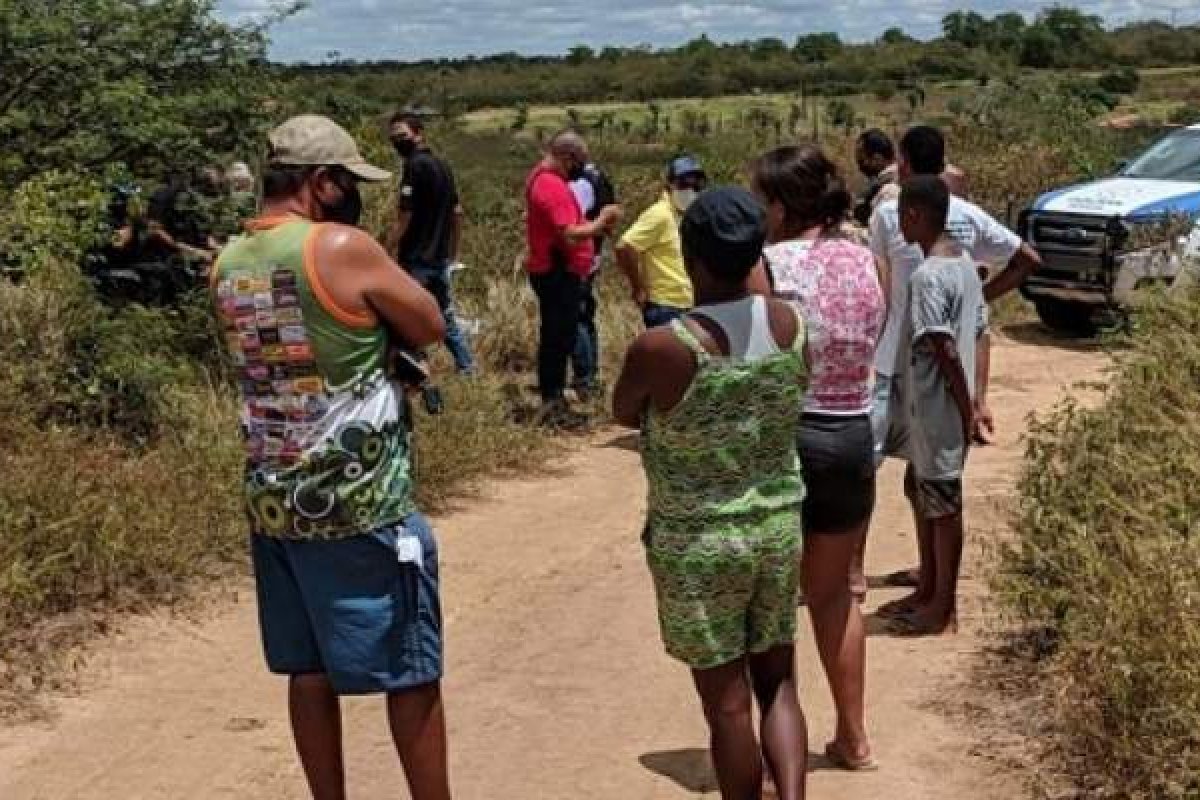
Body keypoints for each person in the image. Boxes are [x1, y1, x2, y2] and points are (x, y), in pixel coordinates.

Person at [209, 114, 453, 800]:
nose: (353, 194)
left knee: (307, 669)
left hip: (274, 498)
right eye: (347, 181)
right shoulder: (342, 246)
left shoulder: (225, 262)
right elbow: (429, 321)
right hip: (359, 501)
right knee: (410, 667)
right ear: (320, 183)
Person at [614, 188, 809, 800]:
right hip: (777, 529)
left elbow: (624, 410)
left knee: (726, 708)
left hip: (698, 543)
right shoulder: (793, 324)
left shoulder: (667, 346)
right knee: (778, 684)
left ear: (690, 257)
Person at [868, 125, 1041, 601]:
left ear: (903, 165)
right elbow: (1028, 258)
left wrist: (967, 405)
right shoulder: (965, 225)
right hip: (950, 364)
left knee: (926, 482)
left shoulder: (889, 219)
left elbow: (880, 289)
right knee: (929, 479)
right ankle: (930, 583)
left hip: (910, 365)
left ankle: (935, 592)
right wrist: (978, 300)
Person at [754, 145, 884, 771]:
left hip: (791, 437)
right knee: (835, 597)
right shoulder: (865, 261)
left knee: (775, 598)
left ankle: (780, 749)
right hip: (854, 432)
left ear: (780, 205)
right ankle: (853, 737)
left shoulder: (771, 264)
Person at [890, 175, 987, 634]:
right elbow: (979, 333)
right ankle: (928, 589)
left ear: (914, 215)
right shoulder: (964, 265)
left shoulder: (929, 276)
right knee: (925, 495)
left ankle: (942, 608)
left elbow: (944, 347)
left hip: (938, 411)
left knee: (944, 506)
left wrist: (966, 405)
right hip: (933, 412)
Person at [524, 130, 621, 422]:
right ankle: (553, 401)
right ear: (567, 157)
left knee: (561, 335)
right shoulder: (550, 185)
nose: (582, 168)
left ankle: (555, 399)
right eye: (580, 161)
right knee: (557, 338)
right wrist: (601, 222)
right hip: (557, 272)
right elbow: (570, 232)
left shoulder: (544, 180)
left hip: (559, 270)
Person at [386, 112, 475, 375]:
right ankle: (467, 367)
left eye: (402, 135)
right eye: (393, 138)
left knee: (405, 317)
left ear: (418, 133)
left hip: (416, 258)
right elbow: (457, 212)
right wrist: (452, 252)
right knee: (445, 315)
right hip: (439, 258)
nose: (397, 141)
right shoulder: (443, 166)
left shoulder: (414, 166)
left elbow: (404, 217)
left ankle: (414, 371)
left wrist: (385, 249)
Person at [615, 156, 707, 328]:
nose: (690, 189)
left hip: (691, 303)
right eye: (683, 184)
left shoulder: (690, 215)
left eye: (696, 185)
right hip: (666, 306)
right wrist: (638, 287)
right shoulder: (660, 214)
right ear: (670, 184)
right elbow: (625, 247)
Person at [568, 148, 618, 395]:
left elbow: (572, 224)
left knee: (576, 317)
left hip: (579, 257)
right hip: (595, 254)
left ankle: (584, 377)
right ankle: (590, 374)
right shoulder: (601, 178)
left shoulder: (582, 183)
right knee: (586, 314)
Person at [853, 129, 899, 227]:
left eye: (862, 160)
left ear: (877, 158)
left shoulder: (889, 188)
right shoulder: (881, 183)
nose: (860, 166)